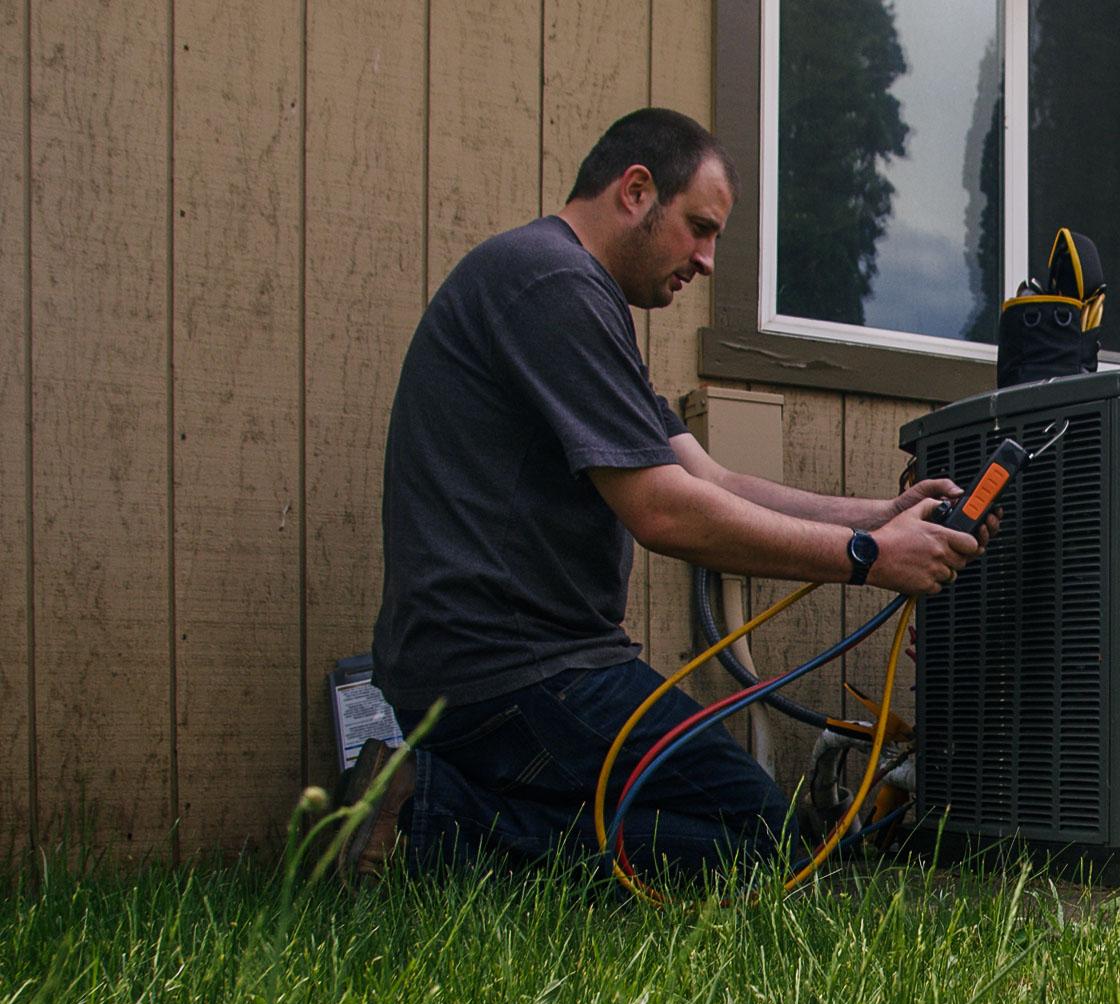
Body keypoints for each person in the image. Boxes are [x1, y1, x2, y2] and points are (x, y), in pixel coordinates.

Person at [343, 108, 986, 885]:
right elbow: (664, 513)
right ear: (636, 191)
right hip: (511, 674)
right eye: (700, 228)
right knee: (764, 845)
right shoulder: (553, 286)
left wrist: (876, 515)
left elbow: (707, 481)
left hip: (509, 669)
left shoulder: (576, 297)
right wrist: (869, 559)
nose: (709, 261)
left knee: (727, 831)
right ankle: (429, 821)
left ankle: (439, 805)